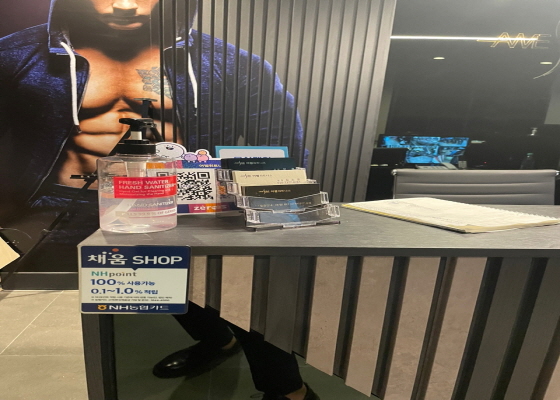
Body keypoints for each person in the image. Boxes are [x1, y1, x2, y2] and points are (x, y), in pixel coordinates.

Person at [0, 1, 315, 399]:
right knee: (143, 290)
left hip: (186, 196)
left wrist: (272, 213)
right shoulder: (13, 56)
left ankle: (289, 390)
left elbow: (278, 145)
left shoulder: (233, 64)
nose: (125, 4)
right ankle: (219, 343)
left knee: (239, 292)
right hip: (64, 204)